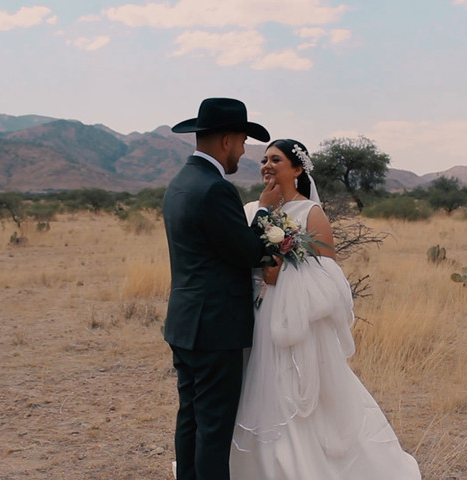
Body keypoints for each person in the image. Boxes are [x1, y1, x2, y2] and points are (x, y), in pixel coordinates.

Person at [230, 139, 422, 479]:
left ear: (298, 169)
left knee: (289, 390)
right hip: (254, 313)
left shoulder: (309, 213)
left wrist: (283, 270)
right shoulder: (250, 209)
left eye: (276, 159)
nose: (267, 166)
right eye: (263, 160)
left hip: (293, 318)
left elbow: (328, 275)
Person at [163, 98, 283, 480]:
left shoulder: (179, 183)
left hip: (185, 323)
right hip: (215, 329)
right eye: (244, 142)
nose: (245, 152)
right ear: (228, 140)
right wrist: (263, 212)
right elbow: (247, 252)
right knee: (214, 431)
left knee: (191, 421)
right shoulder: (216, 189)